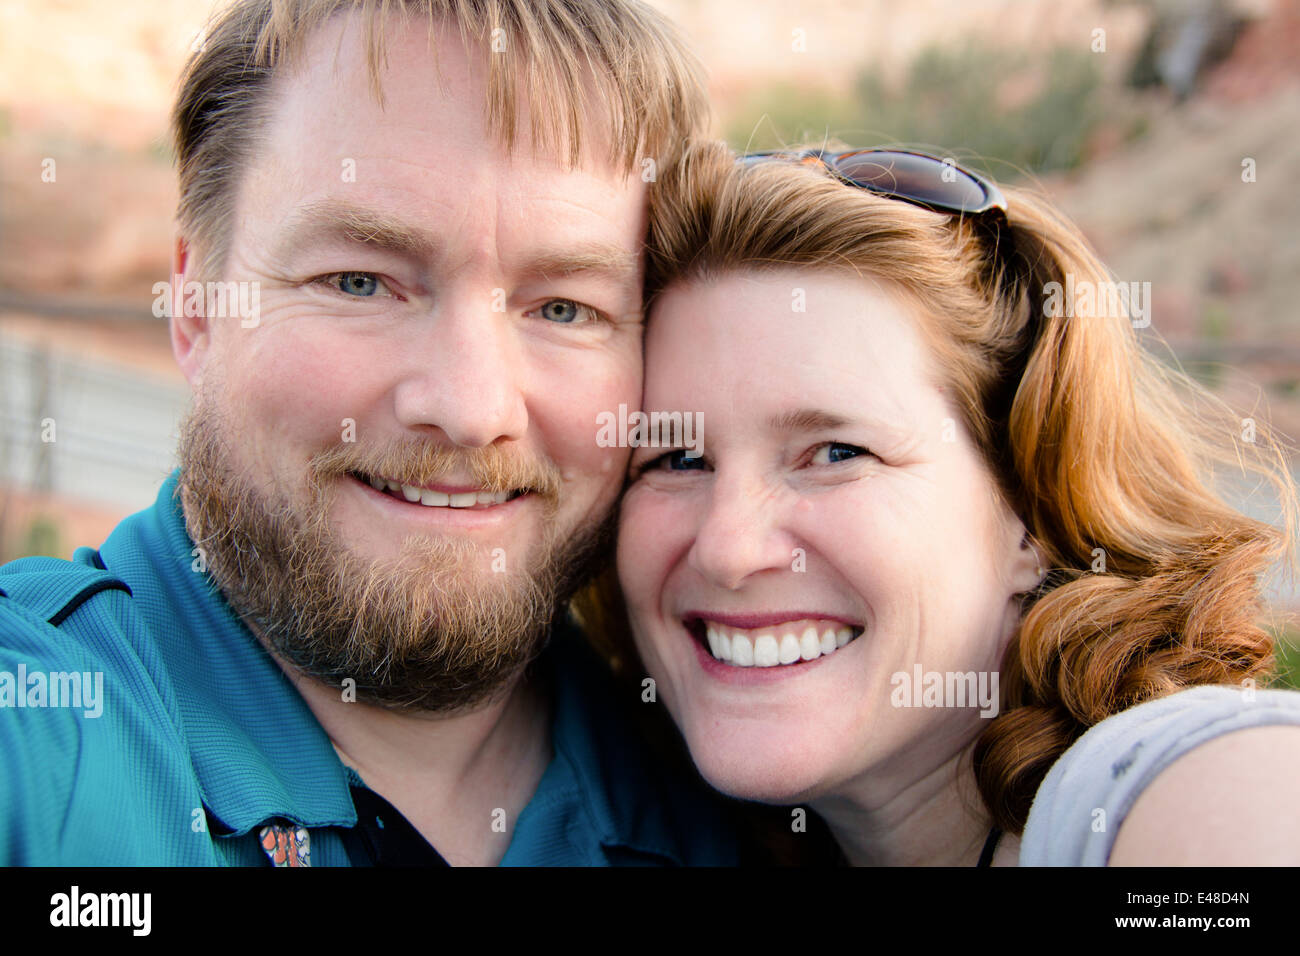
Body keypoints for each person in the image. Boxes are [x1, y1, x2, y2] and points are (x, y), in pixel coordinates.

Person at [0, 0, 744, 867]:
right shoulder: (40, 732)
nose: (471, 409)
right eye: (359, 281)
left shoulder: (748, 803)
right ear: (197, 303)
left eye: (565, 308)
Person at [613, 140, 1300, 865]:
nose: (728, 548)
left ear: (1030, 512)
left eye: (838, 454)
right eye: (678, 459)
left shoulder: (1154, 796)